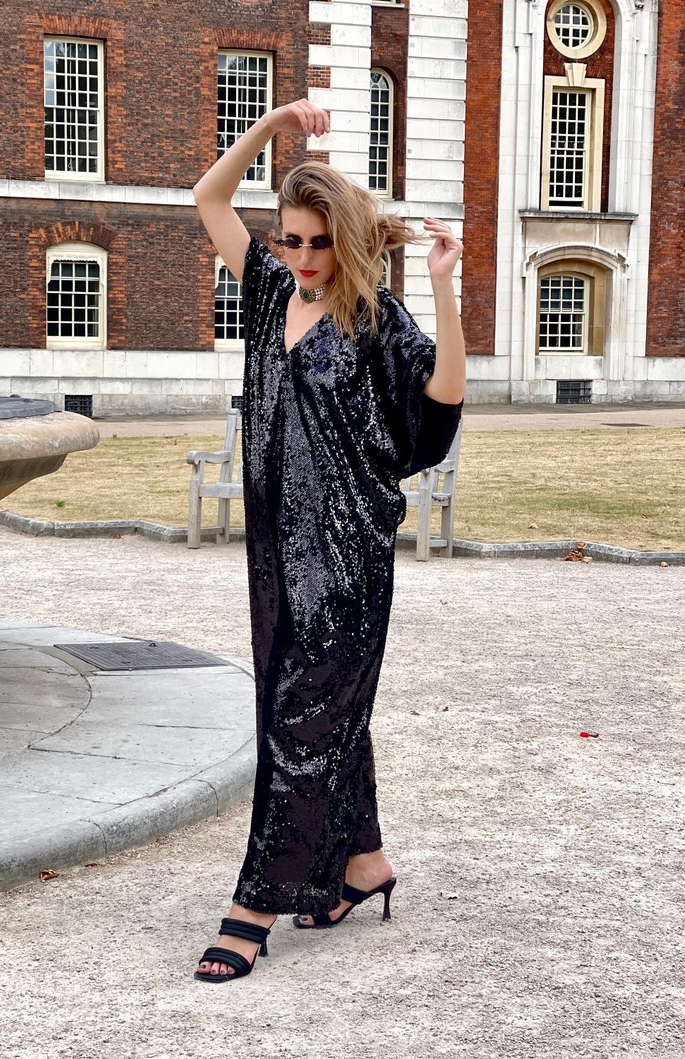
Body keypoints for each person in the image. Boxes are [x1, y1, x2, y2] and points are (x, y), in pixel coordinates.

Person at [192, 99, 465, 982]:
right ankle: (363, 862)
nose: (303, 258)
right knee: (309, 714)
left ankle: (252, 906)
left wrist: (445, 284)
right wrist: (272, 126)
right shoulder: (272, 291)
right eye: (290, 240)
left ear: (345, 240)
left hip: (347, 560)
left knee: (301, 729)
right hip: (277, 554)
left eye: (318, 242)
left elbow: (444, 398)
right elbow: (207, 198)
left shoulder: (375, 318)